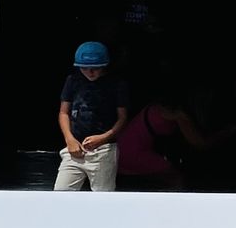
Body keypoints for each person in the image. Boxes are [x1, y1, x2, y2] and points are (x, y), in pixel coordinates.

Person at [55, 41, 129, 192]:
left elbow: (122, 118)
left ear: (104, 65)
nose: (90, 72)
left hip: (103, 149)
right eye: (84, 68)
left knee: (102, 197)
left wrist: (103, 138)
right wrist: (69, 139)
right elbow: (63, 112)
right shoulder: (73, 80)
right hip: (74, 148)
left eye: (95, 68)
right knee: (61, 192)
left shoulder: (116, 84)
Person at [115, 90, 216, 191]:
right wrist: (224, 134)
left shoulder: (157, 107)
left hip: (122, 148)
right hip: (132, 152)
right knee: (176, 179)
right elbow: (199, 143)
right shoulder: (176, 113)